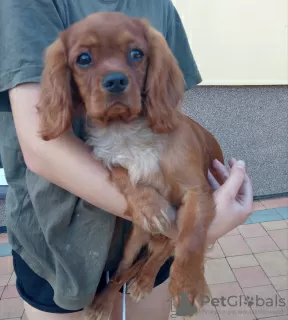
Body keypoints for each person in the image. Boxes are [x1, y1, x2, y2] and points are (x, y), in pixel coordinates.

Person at [0, 1, 253, 319]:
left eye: (135, 55)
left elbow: (166, 108)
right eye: (85, 59)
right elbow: (42, 146)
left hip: (147, 242)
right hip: (57, 236)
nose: (115, 76)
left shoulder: (157, 4)